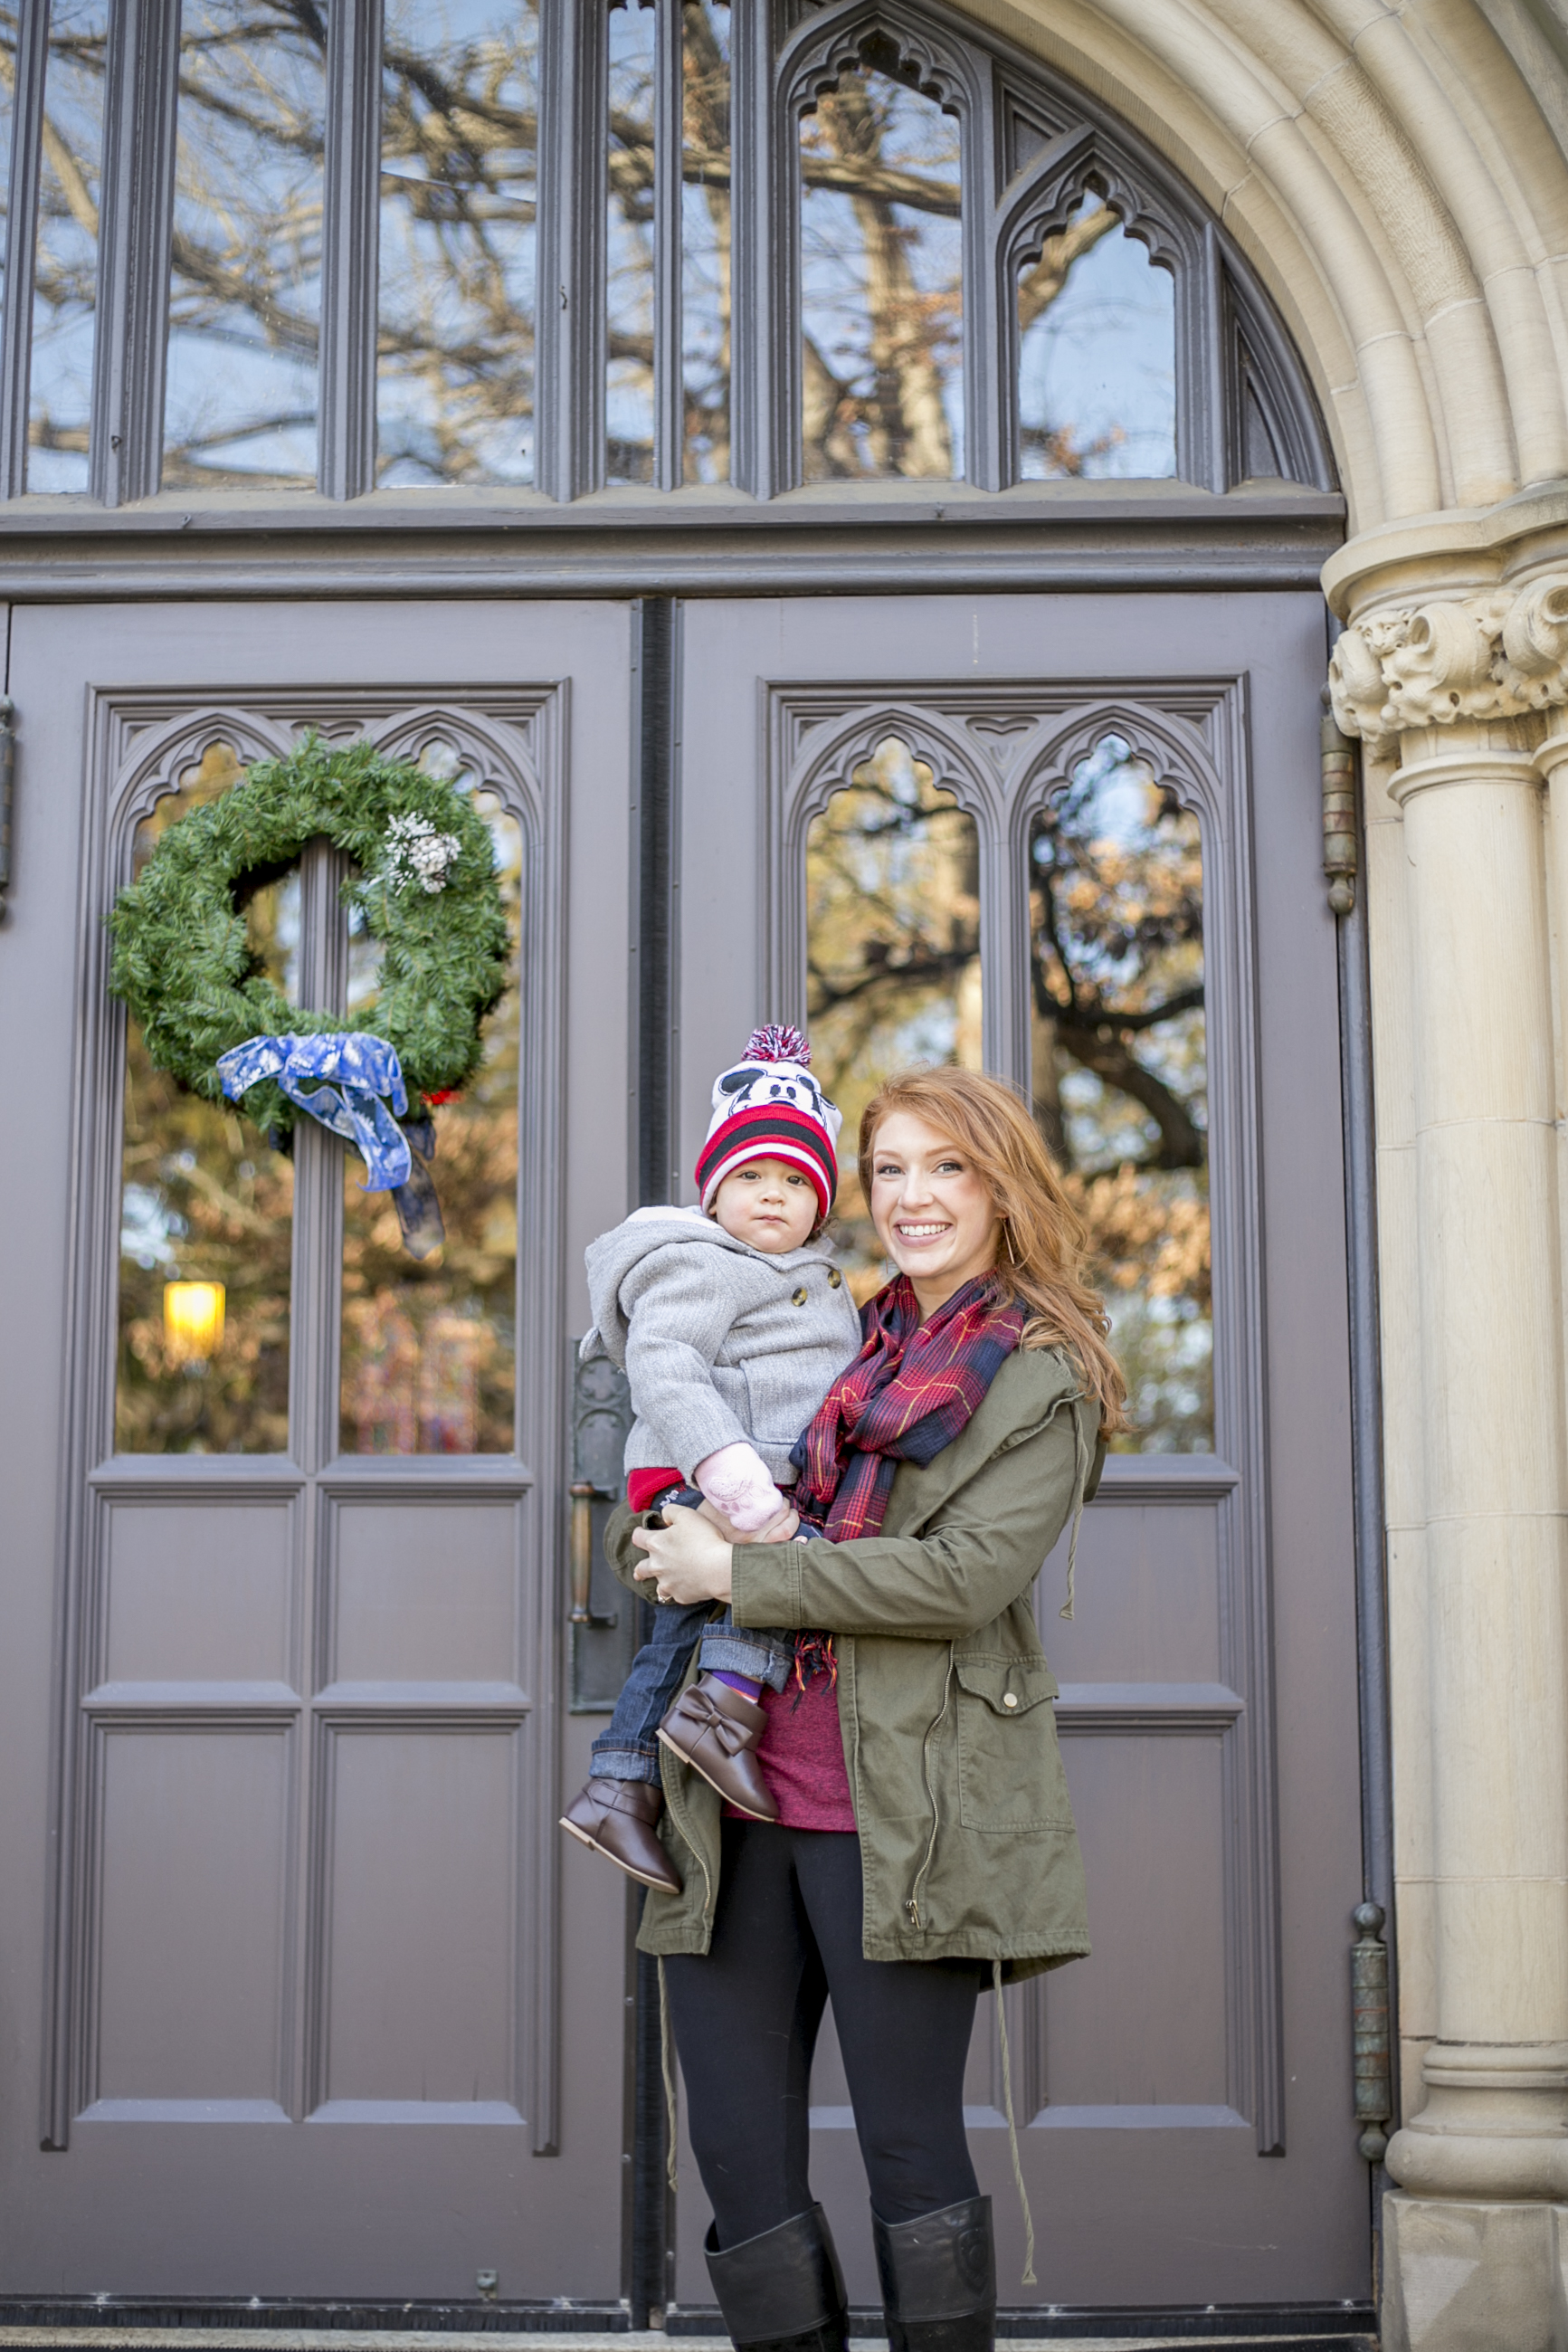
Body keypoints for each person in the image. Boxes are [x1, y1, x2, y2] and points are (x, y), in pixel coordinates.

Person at [607, 1065, 1127, 2352]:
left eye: (946, 1166)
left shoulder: (1040, 1376)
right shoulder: (831, 1325)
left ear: (1002, 1182)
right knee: (735, 2150)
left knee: (906, 2139)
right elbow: (689, 1453)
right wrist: (667, 1532)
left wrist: (739, 1568)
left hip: (901, 1801)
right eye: (888, 1168)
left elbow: (960, 1580)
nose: (912, 1196)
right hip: (730, 1780)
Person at [560, 1026, 862, 1890]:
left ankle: (619, 1786)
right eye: (751, 1176)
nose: (773, 1196)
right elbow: (664, 1366)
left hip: (733, 1462)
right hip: (711, 1466)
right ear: (713, 1192)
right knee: (763, 1568)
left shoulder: (799, 1271)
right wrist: (735, 1476)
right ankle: (722, 1714)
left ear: (821, 1202)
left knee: (679, 1630)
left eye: (796, 1181)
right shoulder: (704, 1262)